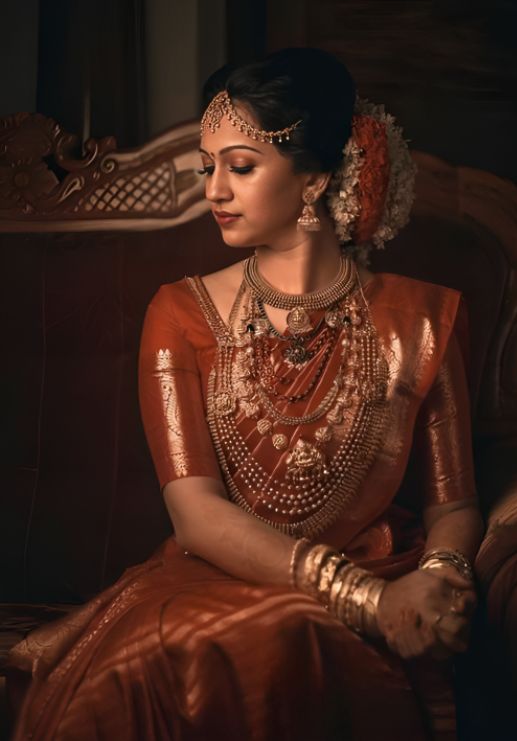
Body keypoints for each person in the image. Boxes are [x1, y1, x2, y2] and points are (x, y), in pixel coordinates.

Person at [7, 47, 484, 741]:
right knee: (262, 632)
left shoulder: (420, 320)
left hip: (379, 559)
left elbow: (458, 501)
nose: (215, 190)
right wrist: (364, 600)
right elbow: (195, 513)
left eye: (240, 165)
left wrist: (441, 580)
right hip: (222, 573)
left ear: (315, 177)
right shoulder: (179, 312)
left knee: (292, 633)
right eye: (209, 168)